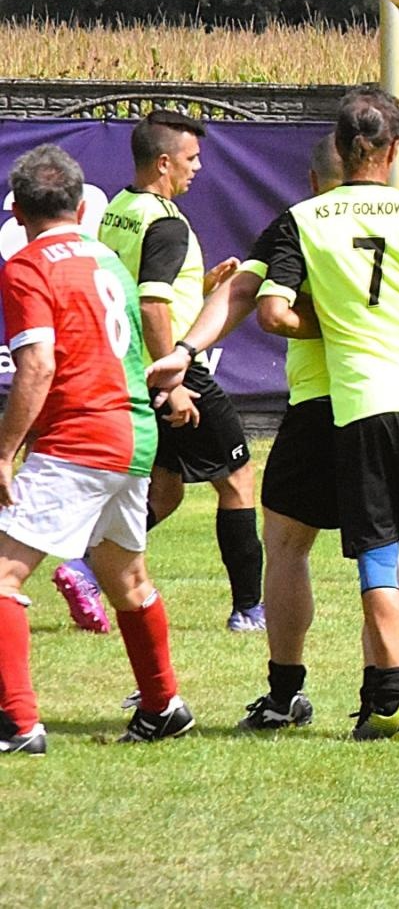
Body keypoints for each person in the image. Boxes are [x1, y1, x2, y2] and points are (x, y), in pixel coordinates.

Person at [146, 134, 399, 732]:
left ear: (315, 180)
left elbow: (247, 295)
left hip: (321, 401)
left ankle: (284, 694)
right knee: (387, 550)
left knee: (288, 545)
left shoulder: (306, 223)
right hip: (393, 402)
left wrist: (188, 349)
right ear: (385, 158)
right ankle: (390, 693)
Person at [253, 85, 399, 740]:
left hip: (365, 400)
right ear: (393, 147)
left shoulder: (307, 219)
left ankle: (387, 696)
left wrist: (333, 325)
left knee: (377, 548)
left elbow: (272, 311)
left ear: (341, 144)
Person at [0, 145, 194, 754]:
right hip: (131, 432)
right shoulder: (108, 259)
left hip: (79, 437)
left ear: (18, 212)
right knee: (127, 578)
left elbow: (37, 367)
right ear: (82, 206)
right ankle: (163, 706)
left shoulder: (27, 266)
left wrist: (5, 451)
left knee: (1, 576)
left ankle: (17, 722)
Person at [55, 110, 265, 633]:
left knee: (166, 491)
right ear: (165, 162)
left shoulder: (121, 208)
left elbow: (140, 284)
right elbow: (152, 305)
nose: (198, 169)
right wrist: (173, 381)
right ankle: (249, 610)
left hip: (132, 367)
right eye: (192, 159)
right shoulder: (167, 221)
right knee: (237, 480)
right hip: (172, 371)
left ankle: (82, 565)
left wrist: (202, 286)